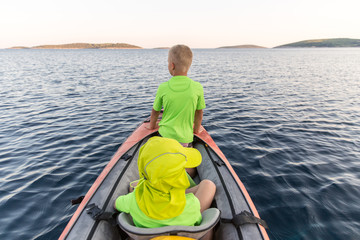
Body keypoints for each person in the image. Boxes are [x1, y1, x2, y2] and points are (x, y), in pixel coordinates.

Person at [114, 137, 216, 239]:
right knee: (208, 186)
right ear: (180, 177)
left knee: (134, 186)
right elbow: (198, 222)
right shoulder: (192, 204)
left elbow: (116, 204)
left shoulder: (133, 200)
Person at [147, 44, 206, 147]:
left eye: (168, 63)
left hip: (165, 136)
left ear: (172, 65)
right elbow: (199, 113)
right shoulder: (197, 87)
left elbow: (155, 111)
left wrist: (151, 127)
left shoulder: (163, 87)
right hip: (185, 139)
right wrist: (196, 130)